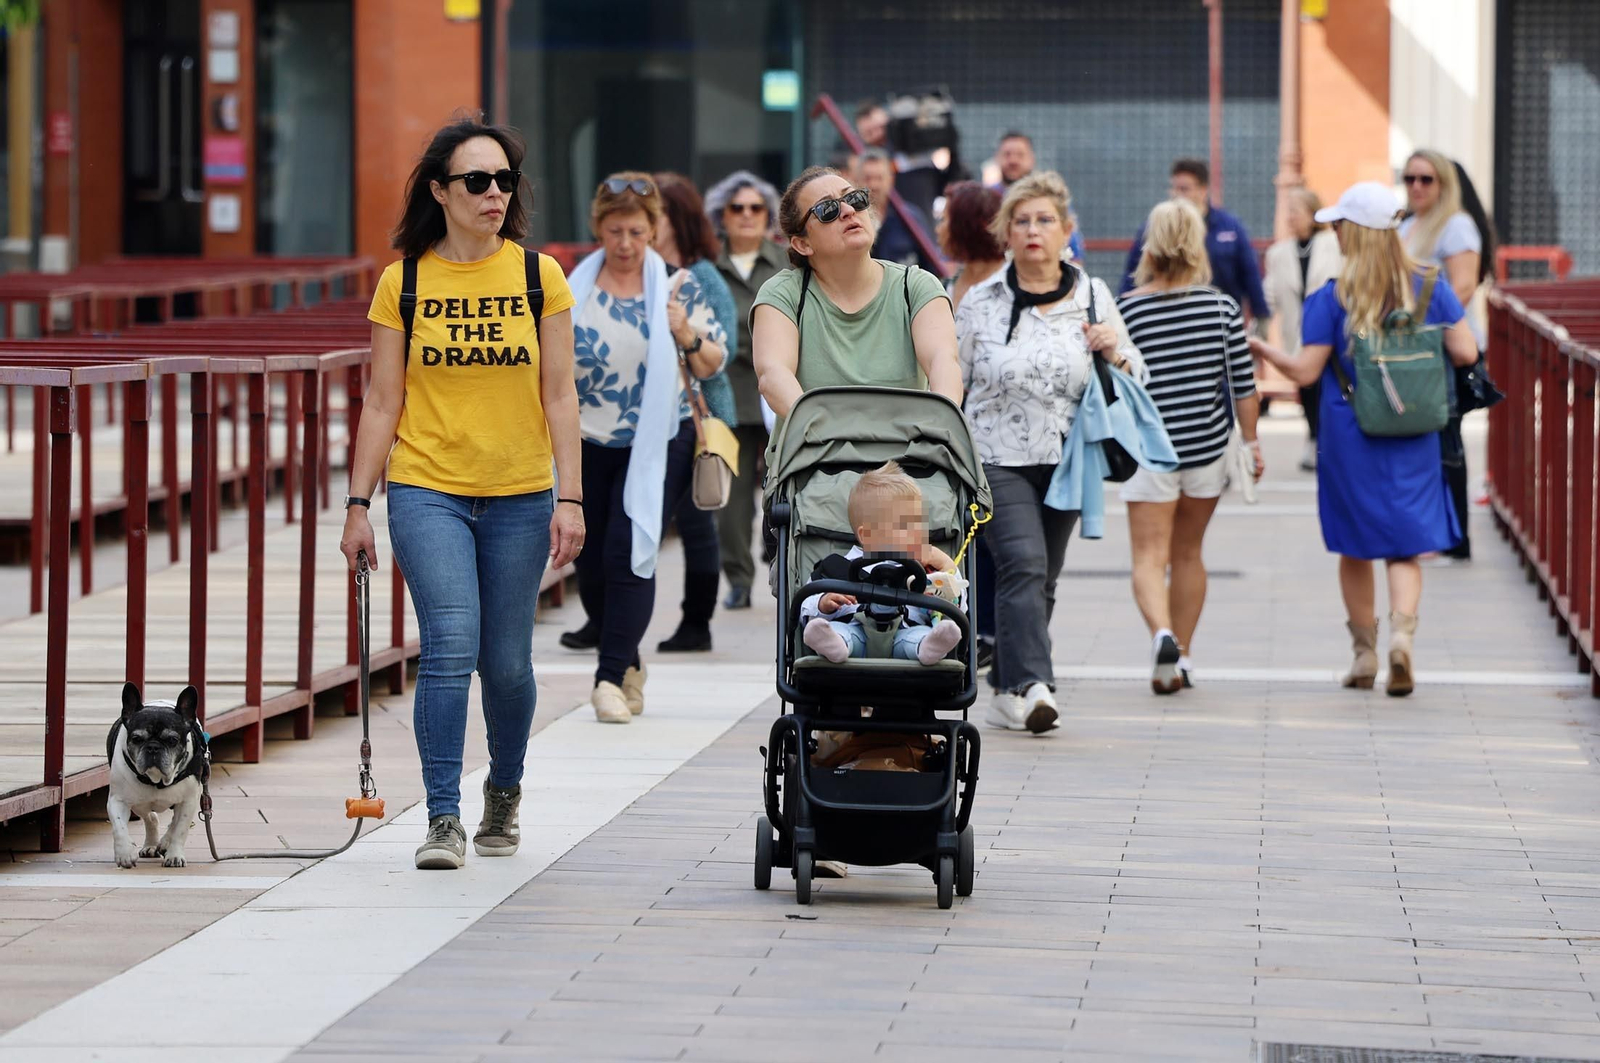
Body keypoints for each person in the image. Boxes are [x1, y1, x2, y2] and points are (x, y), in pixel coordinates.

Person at [340, 118, 584, 871]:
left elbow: (561, 394)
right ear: (440, 192)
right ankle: (441, 815)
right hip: (426, 488)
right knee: (450, 644)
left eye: (505, 179)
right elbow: (383, 401)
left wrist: (570, 498)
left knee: (506, 664)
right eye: (477, 181)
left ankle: (503, 790)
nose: (494, 193)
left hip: (520, 493)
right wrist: (356, 505)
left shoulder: (539, 277)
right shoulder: (404, 282)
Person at [1252, 181, 1478, 696]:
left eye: (1338, 225)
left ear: (1349, 233)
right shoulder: (1428, 286)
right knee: (1404, 546)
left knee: (1355, 548)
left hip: (1350, 432)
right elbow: (1466, 352)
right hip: (1414, 429)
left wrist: (1264, 351)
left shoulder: (1331, 297)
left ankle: (1364, 655)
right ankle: (1402, 638)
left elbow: (1306, 372)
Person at [956, 170, 1142, 733]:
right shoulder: (979, 302)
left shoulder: (1093, 295)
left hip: (1069, 459)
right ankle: (1035, 685)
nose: (1033, 231)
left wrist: (1114, 349)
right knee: (1024, 564)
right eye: (1022, 221)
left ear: (1066, 230)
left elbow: (1136, 374)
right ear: (1006, 233)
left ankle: (1005, 687)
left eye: (1044, 220)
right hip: (994, 457)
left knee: (1042, 578)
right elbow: (949, 383)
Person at [568, 172, 728, 723]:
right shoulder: (571, 289)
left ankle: (609, 679)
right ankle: (628, 658)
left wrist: (685, 332)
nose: (626, 244)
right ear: (598, 228)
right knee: (590, 561)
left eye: (637, 232)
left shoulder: (679, 286)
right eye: (615, 231)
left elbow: (713, 363)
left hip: (662, 437)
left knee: (628, 549)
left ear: (655, 229)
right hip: (586, 438)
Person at [1116, 199, 1262, 694]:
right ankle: (1184, 655)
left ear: (1150, 246)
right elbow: (1244, 386)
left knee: (1148, 556)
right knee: (1190, 553)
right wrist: (1253, 444)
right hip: (1207, 446)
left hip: (1148, 451)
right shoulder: (1221, 306)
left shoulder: (1128, 309)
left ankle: (1161, 635)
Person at [752, 166, 960, 421]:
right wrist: (828, 434)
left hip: (905, 446)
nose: (848, 210)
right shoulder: (783, 294)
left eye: (855, 199)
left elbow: (943, 361)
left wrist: (940, 426)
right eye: (827, 210)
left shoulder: (916, 287)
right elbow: (773, 375)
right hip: (815, 442)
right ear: (802, 244)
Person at [650, 173, 740, 652]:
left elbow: (726, 347)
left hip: (700, 415)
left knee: (696, 519)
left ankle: (696, 622)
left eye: (657, 212)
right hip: (656, 416)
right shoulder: (642, 271)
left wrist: (685, 334)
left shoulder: (702, 276)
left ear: (677, 218)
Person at [703, 170, 786, 611]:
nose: (747, 215)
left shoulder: (788, 262)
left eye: (757, 208)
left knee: (782, 488)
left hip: (781, 392)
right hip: (727, 393)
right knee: (732, 500)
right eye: (738, 208)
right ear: (723, 215)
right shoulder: (708, 266)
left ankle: (778, 560)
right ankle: (737, 579)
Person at [1400, 150, 1487, 562]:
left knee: (1446, 440)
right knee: (1425, 439)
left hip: (1445, 350)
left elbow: (1463, 287)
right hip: (1416, 350)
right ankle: (1434, 531)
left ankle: (1453, 537)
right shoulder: (1407, 225)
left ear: (1444, 183)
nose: (1417, 186)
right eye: (1410, 178)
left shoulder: (1456, 225)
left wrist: (1425, 326)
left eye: (1426, 179)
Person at [799, 461, 964, 666]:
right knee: (839, 632)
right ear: (867, 534)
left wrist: (946, 564)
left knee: (921, 636)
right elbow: (804, 603)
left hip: (907, 633)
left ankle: (930, 646)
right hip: (854, 633)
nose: (919, 532)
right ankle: (833, 643)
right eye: (905, 525)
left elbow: (958, 605)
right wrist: (823, 604)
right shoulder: (837, 566)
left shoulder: (925, 567)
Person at [1120, 158, 1270, 329]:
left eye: (1184, 189)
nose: (1177, 195)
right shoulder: (1155, 228)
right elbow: (1132, 273)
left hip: (1217, 321)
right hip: (1165, 322)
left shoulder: (1230, 227)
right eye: (1174, 188)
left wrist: (1261, 315)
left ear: (1203, 190)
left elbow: (1250, 273)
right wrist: (1123, 311)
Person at [1264, 187, 1341, 472]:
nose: (1291, 217)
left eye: (1296, 211)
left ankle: (1328, 440)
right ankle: (1313, 437)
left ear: (1313, 213)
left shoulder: (1334, 244)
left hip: (1330, 331)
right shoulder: (1278, 253)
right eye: (1289, 212)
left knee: (1330, 384)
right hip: (1297, 331)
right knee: (1306, 387)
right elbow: (1270, 294)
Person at [985, 132, 1085, 263]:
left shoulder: (1051, 198)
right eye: (1007, 154)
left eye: (1020, 155)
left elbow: (1074, 252)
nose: (1013, 160)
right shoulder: (986, 200)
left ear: (1032, 159)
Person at [859, 148, 942, 275]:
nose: (874, 185)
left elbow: (930, 265)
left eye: (879, 178)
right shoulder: (851, 220)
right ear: (857, 180)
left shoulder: (911, 218)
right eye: (868, 178)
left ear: (891, 179)